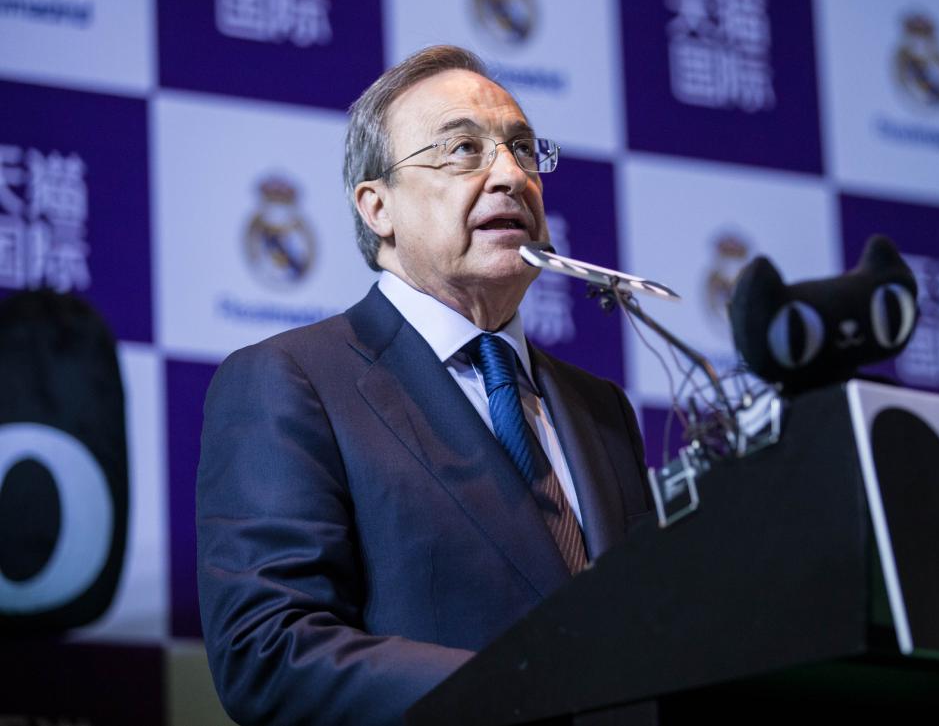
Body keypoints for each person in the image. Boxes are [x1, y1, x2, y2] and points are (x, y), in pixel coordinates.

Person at [196, 45, 652, 725]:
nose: (511, 176)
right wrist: (521, 687)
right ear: (378, 206)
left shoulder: (601, 407)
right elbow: (267, 648)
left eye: (523, 150)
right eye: (463, 150)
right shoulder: (293, 380)